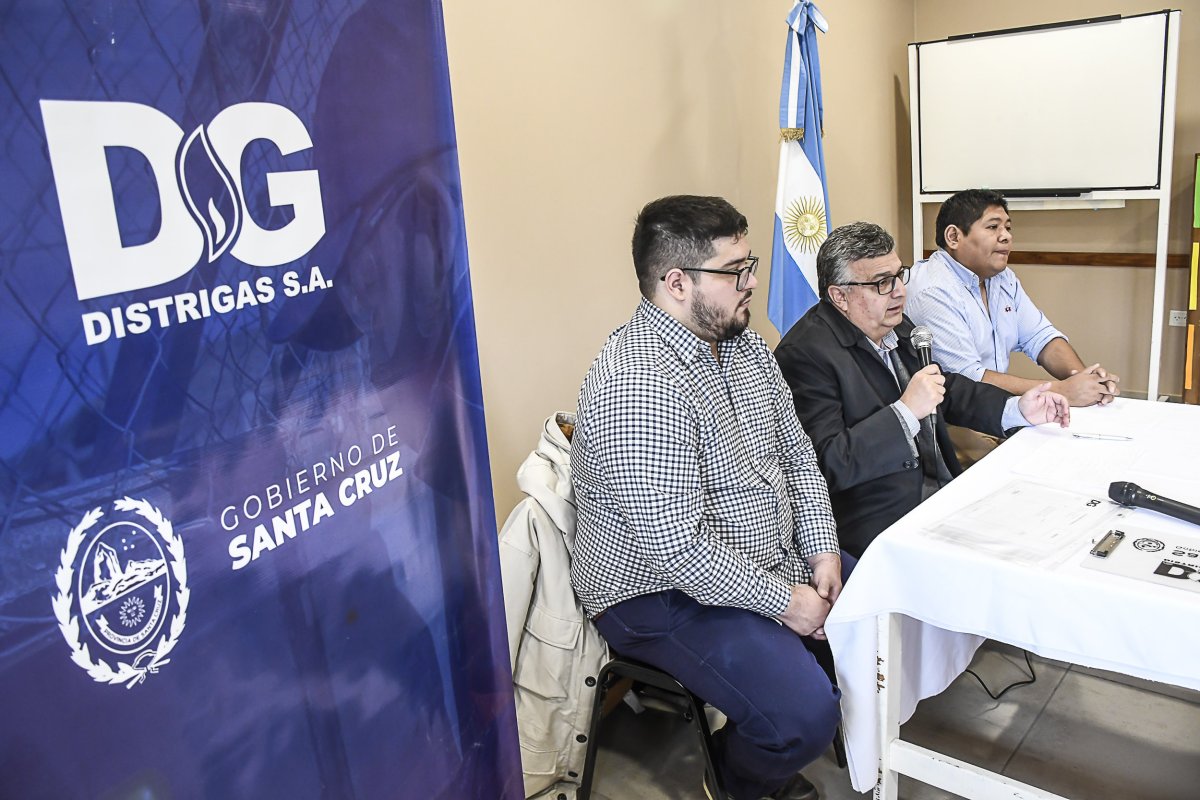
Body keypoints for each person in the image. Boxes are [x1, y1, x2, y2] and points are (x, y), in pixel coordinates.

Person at [569, 196, 846, 800]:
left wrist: (822, 551)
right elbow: (678, 551)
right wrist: (786, 603)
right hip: (656, 593)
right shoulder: (638, 383)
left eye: (750, 265)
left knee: (881, 598)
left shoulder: (744, 347)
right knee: (804, 716)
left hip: (758, 555)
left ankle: (777, 733)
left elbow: (797, 455)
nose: (752, 283)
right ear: (676, 284)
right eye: (734, 271)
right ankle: (734, 778)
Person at [775, 222, 1070, 558]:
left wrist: (1017, 408)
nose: (899, 291)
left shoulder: (895, 323)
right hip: (877, 520)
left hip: (940, 494)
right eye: (882, 283)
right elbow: (825, 465)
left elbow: (946, 389)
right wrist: (904, 412)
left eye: (899, 275)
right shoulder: (805, 355)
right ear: (840, 296)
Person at [906, 189, 1119, 407]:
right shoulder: (932, 290)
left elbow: (1040, 338)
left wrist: (1085, 381)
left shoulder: (1003, 278)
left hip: (994, 408)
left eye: (1007, 228)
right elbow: (968, 379)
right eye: (993, 227)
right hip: (948, 414)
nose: (1006, 236)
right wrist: (1062, 390)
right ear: (953, 237)